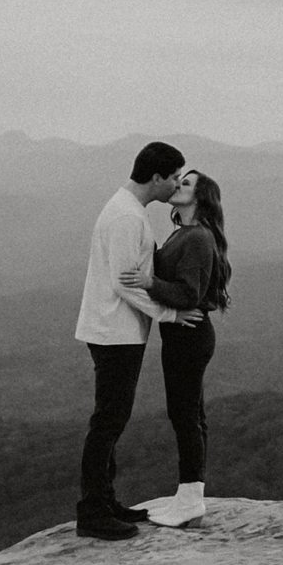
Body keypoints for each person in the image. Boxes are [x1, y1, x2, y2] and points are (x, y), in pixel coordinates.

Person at [73, 141, 203, 540]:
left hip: (116, 330)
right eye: (175, 177)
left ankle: (105, 500)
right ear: (158, 176)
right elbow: (125, 283)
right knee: (108, 421)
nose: (177, 185)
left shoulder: (127, 209)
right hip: (114, 331)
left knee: (112, 418)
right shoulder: (127, 217)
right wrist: (171, 313)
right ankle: (92, 510)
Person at [125, 169, 229, 528]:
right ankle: (188, 495)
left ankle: (190, 499)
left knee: (185, 416)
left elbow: (189, 294)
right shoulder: (184, 233)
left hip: (190, 335)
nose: (177, 186)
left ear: (199, 198)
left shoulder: (197, 238)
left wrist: (149, 282)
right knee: (188, 414)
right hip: (184, 336)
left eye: (186, 184)